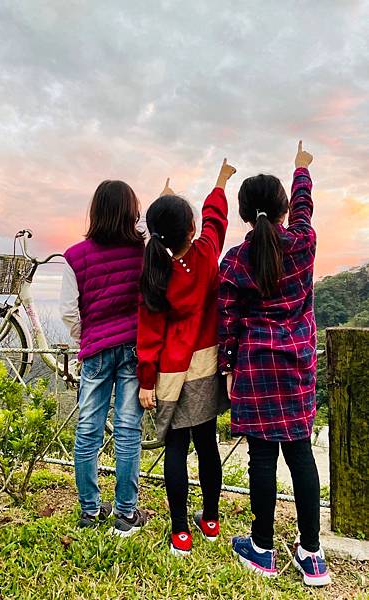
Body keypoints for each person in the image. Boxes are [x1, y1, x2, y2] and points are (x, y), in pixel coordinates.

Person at [218, 141, 331, 586]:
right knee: (300, 454)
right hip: (298, 365)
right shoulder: (302, 244)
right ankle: (312, 555)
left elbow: (226, 320)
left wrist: (228, 369)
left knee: (261, 457)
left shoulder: (236, 260)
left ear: (245, 214)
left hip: (256, 366)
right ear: (283, 209)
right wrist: (301, 170)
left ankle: (261, 549)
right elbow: (305, 211)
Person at [137, 160, 236, 556]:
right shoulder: (207, 254)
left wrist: (146, 380)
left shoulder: (155, 271)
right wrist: (220, 181)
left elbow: (148, 334)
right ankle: (210, 521)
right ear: (191, 230)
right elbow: (216, 219)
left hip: (171, 375)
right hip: (208, 366)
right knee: (208, 445)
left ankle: (181, 532)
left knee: (175, 450)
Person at [60, 180, 148, 536]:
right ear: (131, 211)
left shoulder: (75, 256)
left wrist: (88, 337)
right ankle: (126, 514)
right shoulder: (142, 251)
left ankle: (89, 511)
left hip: (95, 350)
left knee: (88, 430)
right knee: (128, 430)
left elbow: (69, 312)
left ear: (95, 211)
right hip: (133, 348)